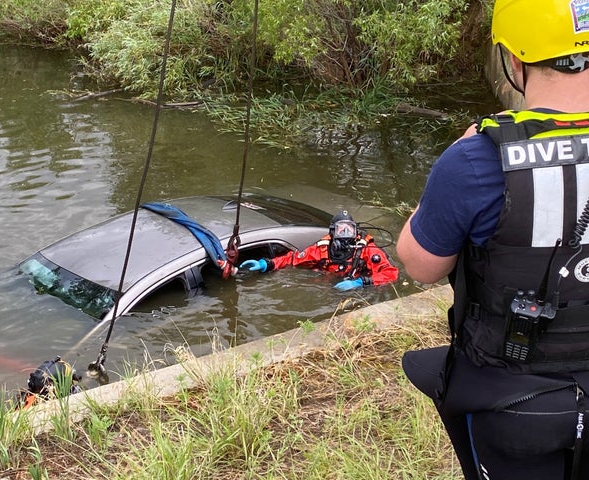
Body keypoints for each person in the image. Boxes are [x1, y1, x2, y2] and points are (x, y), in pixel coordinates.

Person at [397, 1, 589, 479]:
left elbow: (420, 266)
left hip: (515, 403)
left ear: (514, 59)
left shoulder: (476, 160)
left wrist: (447, 178)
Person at [239, 210, 398, 290]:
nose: (345, 235)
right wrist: (267, 264)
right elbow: (293, 259)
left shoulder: (367, 251)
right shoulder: (321, 250)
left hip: (356, 286)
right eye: (340, 230)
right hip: (329, 283)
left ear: (356, 232)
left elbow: (390, 273)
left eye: (349, 230)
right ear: (331, 232)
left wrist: (362, 282)